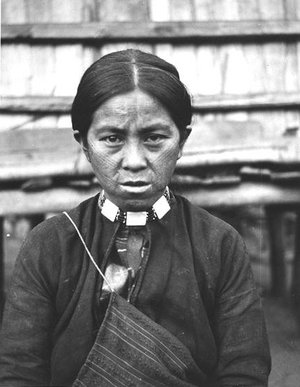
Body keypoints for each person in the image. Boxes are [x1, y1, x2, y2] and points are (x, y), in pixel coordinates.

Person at [0, 49, 271, 386]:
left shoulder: (219, 243)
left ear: (182, 140)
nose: (134, 161)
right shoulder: (49, 244)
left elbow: (244, 370)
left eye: (154, 138)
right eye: (112, 139)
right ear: (84, 144)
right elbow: (19, 372)